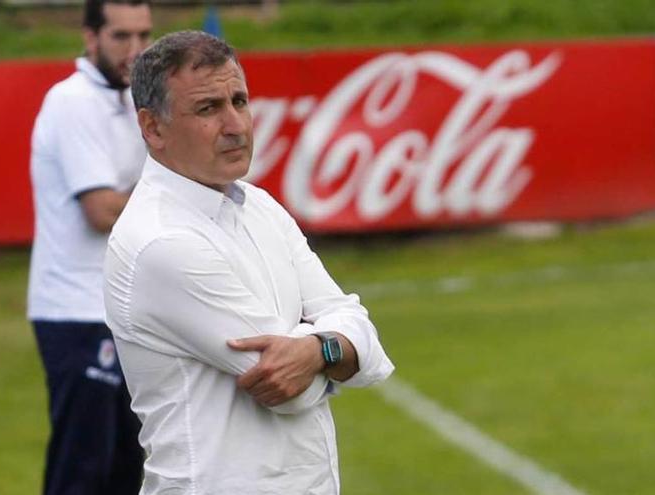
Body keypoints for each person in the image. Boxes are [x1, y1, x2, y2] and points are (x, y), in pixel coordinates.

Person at [104, 30, 395, 495]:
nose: (236, 124)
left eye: (239, 100)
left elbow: (363, 335)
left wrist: (318, 350)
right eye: (208, 108)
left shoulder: (258, 205)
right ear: (152, 127)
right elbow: (288, 390)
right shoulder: (159, 241)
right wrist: (332, 344)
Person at [27, 1, 152, 494]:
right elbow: (101, 211)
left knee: (128, 470)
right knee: (83, 472)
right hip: (76, 311)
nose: (136, 51)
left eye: (144, 36)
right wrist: (177, 204)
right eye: (121, 36)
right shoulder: (73, 100)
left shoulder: (129, 98)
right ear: (90, 37)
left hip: (123, 309)